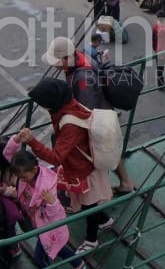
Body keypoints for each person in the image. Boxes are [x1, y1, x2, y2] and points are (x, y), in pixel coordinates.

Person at [16, 78, 114, 253]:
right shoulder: (69, 105)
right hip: (84, 164)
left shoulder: (68, 123)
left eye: (42, 103)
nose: (42, 106)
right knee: (88, 203)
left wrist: (32, 141)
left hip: (83, 169)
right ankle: (105, 220)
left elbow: (56, 158)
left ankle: (92, 240)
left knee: (88, 205)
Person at [43, 36, 135, 193]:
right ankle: (124, 183)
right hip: (103, 112)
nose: (55, 66)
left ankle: (101, 191)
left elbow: (86, 108)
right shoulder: (79, 58)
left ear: (67, 57)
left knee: (102, 153)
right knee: (109, 151)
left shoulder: (82, 77)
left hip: (98, 119)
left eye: (57, 61)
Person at [6, 147, 87, 269]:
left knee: (39, 258)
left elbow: (58, 214)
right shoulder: (31, 178)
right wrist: (16, 141)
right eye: (20, 178)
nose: (22, 180)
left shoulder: (46, 187)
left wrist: (52, 203)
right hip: (43, 226)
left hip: (49, 229)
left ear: (34, 169)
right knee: (61, 249)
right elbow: (8, 154)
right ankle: (78, 264)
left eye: (24, 177)